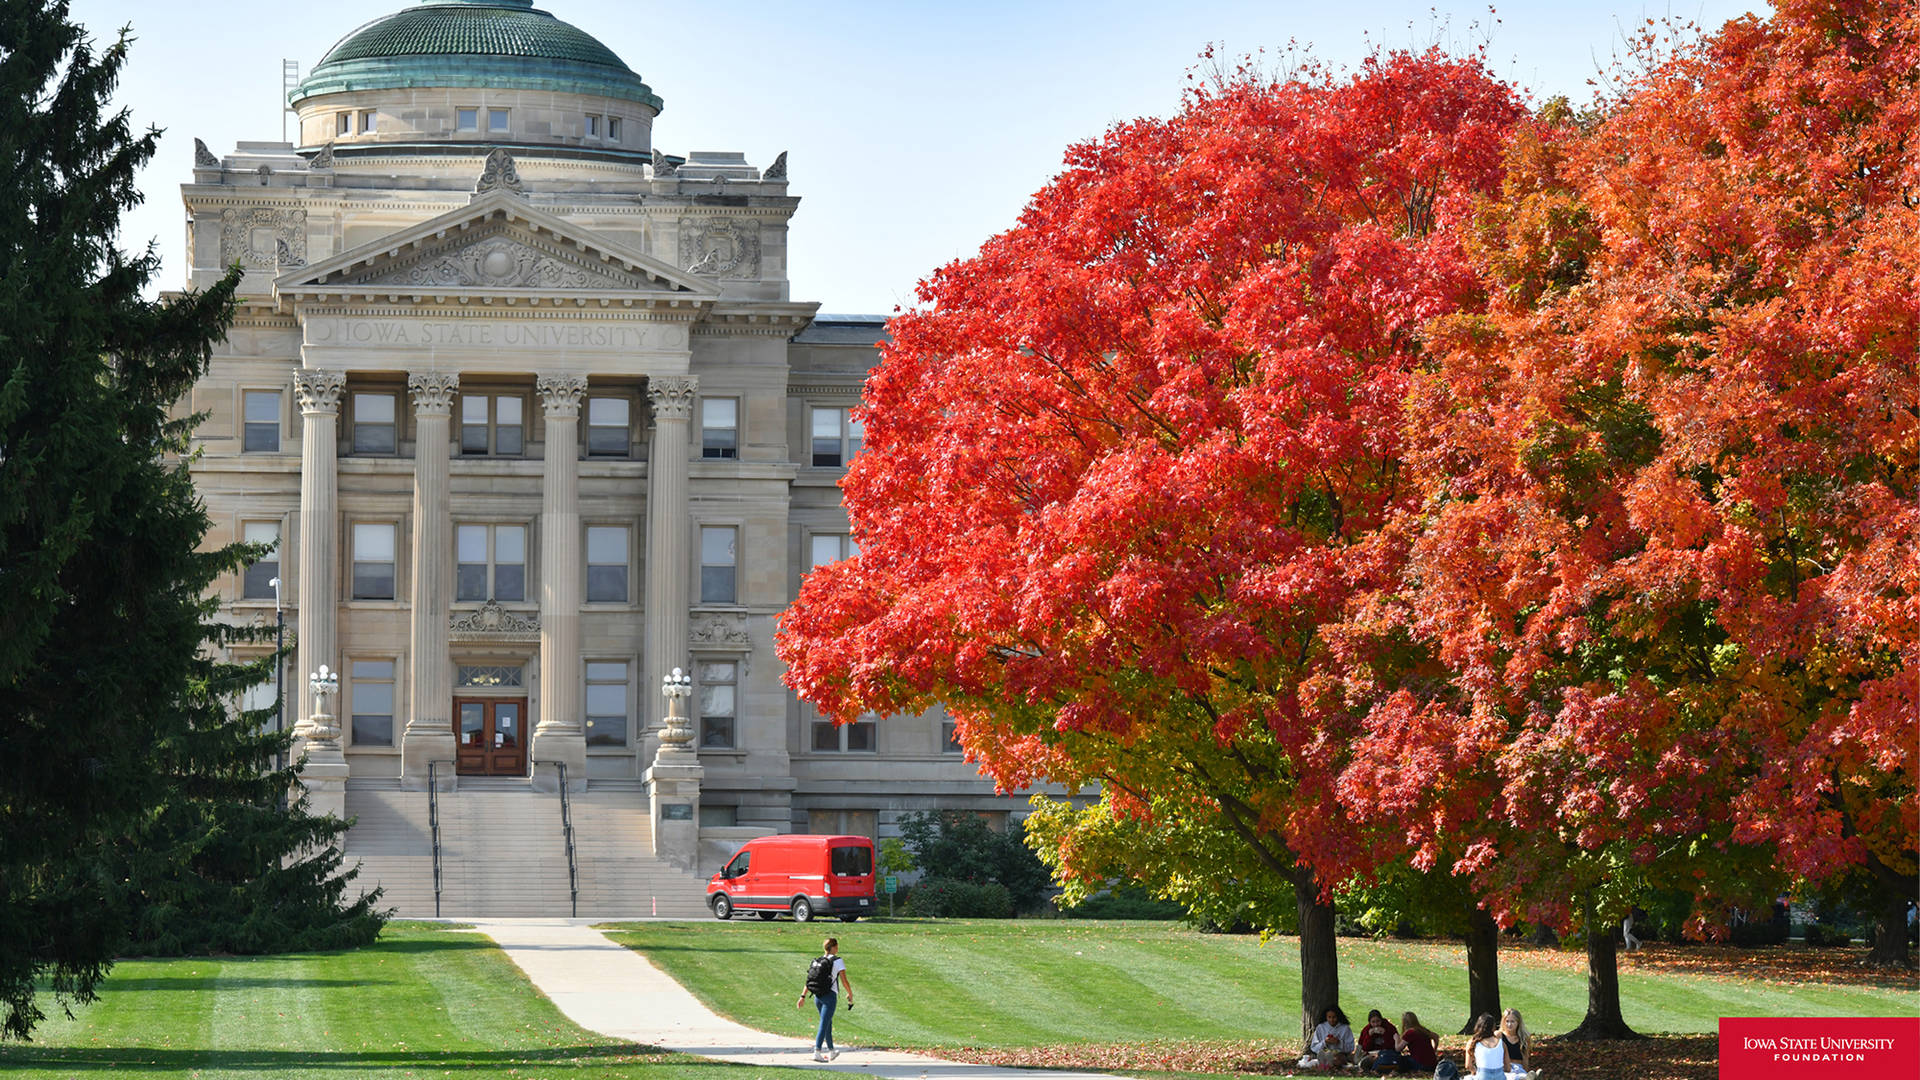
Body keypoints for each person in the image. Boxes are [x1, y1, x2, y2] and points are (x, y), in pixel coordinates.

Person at [795, 936, 854, 1062]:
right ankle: (817, 1051)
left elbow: (810, 980)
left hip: (818, 996)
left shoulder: (819, 961)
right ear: (832, 947)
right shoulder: (838, 961)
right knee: (824, 1023)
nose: (837, 948)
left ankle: (832, 1051)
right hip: (830, 997)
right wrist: (850, 994)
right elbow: (844, 981)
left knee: (827, 1022)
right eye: (836, 946)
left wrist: (803, 996)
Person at [1298, 1005, 1355, 1070]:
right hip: (1324, 1053)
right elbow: (1314, 1047)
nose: (1332, 1020)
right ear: (1326, 1017)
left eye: (1334, 1017)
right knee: (1324, 1055)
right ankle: (1326, 1062)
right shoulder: (1321, 1027)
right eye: (1329, 1017)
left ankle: (1328, 1063)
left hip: (1340, 1054)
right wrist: (1325, 1042)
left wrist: (1339, 1042)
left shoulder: (1345, 1028)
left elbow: (1351, 1047)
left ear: (1338, 1017)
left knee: (1338, 1058)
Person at [1465, 1013, 1508, 1080]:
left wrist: (1474, 1072)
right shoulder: (1502, 1043)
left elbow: (1468, 1065)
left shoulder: (1473, 1042)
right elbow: (1507, 1068)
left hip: (1483, 1075)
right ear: (1493, 1027)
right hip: (1500, 1075)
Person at [1499, 1008, 1533, 1077]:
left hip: (1519, 1068)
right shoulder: (1499, 1036)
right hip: (1504, 1068)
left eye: (1512, 1021)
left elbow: (1525, 1059)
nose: (1509, 1024)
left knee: (1522, 1076)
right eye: (1507, 1021)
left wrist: (1526, 1071)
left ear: (1518, 1022)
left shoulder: (1524, 1038)